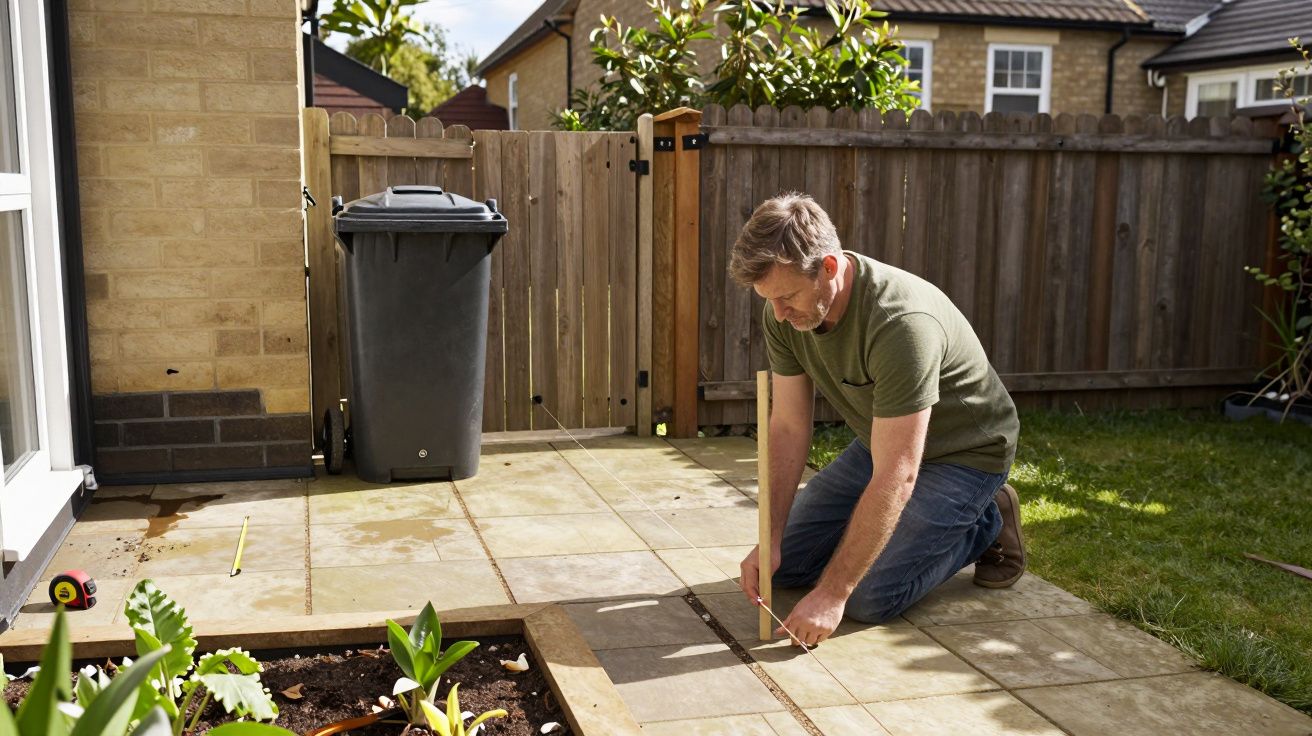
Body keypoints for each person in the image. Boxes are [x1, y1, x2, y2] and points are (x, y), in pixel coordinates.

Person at [732, 193, 1024, 648]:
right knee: (784, 565)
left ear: (829, 267)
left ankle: (985, 519)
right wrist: (769, 537)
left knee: (866, 597)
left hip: (964, 454)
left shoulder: (901, 323)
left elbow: (899, 472)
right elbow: (788, 425)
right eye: (770, 300)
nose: (781, 314)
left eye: (788, 296)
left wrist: (833, 591)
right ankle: (891, 532)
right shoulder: (783, 312)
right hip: (883, 440)